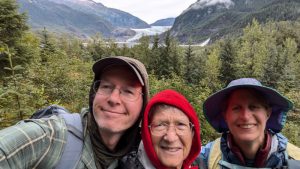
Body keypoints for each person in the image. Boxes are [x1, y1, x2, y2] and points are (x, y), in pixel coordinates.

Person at [0, 56, 149, 169]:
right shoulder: (53, 137)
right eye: (106, 86)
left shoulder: (139, 155)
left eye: (128, 91)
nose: (113, 99)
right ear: (93, 94)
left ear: (143, 104)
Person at [200, 78, 300, 169]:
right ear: (225, 115)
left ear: (268, 113)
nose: (245, 116)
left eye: (253, 107)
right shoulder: (205, 158)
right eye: (236, 108)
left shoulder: (295, 159)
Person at [119, 89, 202, 169]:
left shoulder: (203, 165)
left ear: (192, 133)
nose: (171, 138)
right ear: (146, 133)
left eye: (181, 125)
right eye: (160, 125)